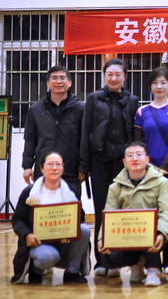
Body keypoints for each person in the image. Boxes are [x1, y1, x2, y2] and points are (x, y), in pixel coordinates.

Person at [80, 58, 139, 276]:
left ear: (125, 77)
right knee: (101, 210)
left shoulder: (132, 100)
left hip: (122, 164)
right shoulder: (93, 98)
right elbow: (86, 131)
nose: (113, 78)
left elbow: (134, 134)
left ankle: (118, 259)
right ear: (104, 75)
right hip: (99, 162)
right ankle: (102, 262)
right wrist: (84, 165)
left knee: (121, 210)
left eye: (118, 74)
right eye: (109, 74)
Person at [97, 142, 168, 287]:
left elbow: (167, 212)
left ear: (147, 159)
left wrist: (161, 233)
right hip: (127, 235)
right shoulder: (115, 186)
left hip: (153, 235)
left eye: (139, 154)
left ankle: (153, 269)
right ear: (124, 162)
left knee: (151, 232)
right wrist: (102, 239)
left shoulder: (162, 183)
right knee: (108, 259)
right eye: (130, 155)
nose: (135, 158)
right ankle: (138, 262)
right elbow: (109, 214)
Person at [133, 67, 168, 278]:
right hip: (147, 173)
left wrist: (164, 166)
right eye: (155, 82)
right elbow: (138, 143)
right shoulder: (141, 112)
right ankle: (151, 260)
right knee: (150, 216)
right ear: (150, 86)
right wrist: (146, 167)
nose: (159, 86)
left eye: (163, 82)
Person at [11, 152, 91, 285]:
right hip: (39, 243)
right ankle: (36, 270)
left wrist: (71, 231)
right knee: (48, 257)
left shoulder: (70, 191)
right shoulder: (29, 192)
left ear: (63, 168)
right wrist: (27, 235)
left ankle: (72, 272)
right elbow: (17, 219)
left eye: (58, 164)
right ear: (41, 168)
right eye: (50, 164)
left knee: (83, 230)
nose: (54, 168)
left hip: (63, 242)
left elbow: (80, 217)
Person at [23, 65, 85, 199]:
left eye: (62, 78)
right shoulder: (35, 109)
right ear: (48, 83)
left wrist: (84, 167)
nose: (58, 81)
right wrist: (27, 166)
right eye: (54, 78)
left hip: (71, 171)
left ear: (69, 83)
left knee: (71, 208)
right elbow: (30, 140)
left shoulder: (81, 108)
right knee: (44, 207)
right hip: (43, 170)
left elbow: (84, 141)